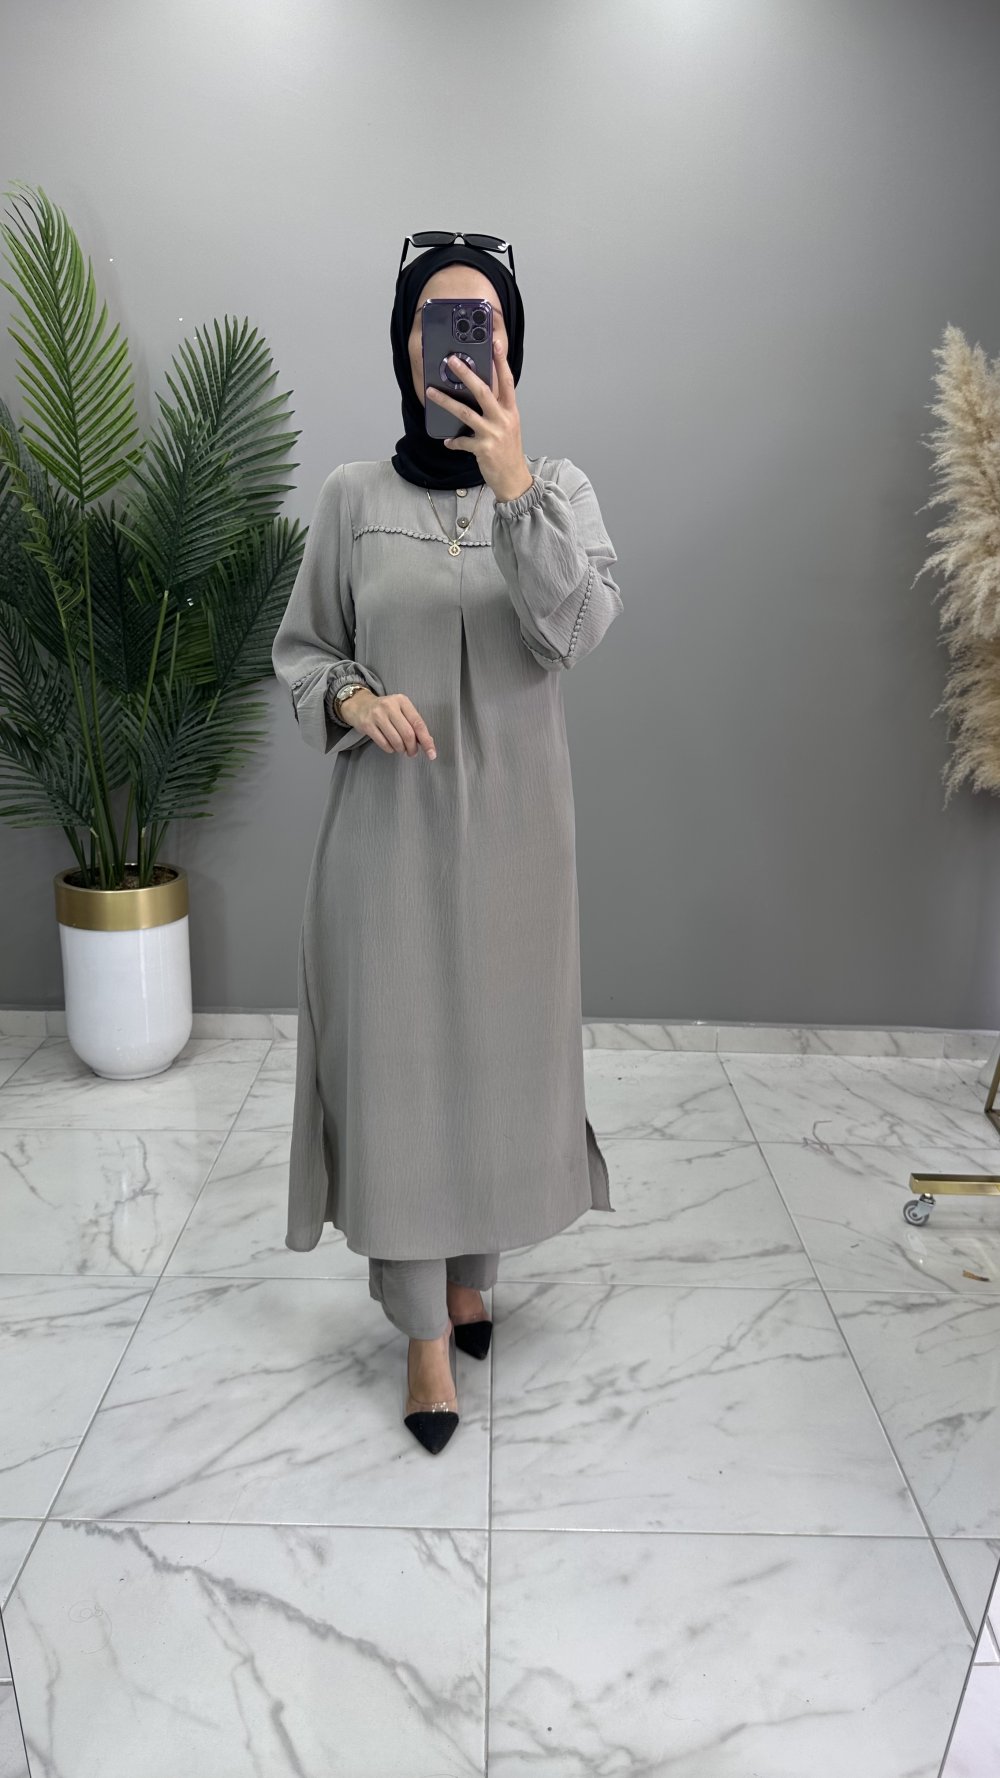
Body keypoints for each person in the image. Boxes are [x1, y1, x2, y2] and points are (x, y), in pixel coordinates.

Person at [270, 234, 623, 1454]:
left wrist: (515, 485)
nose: (461, 339)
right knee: (403, 1071)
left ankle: (474, 1276)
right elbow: (302, 651)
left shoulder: (559, 488)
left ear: (512, 343)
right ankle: (424, 1327)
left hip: (520, 840)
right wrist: (352, 696)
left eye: (483, 319)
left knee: (497, 1060)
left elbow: (576, 627)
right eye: (437, 319)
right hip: (390, 837)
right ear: (404, 344)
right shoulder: (351, 497)